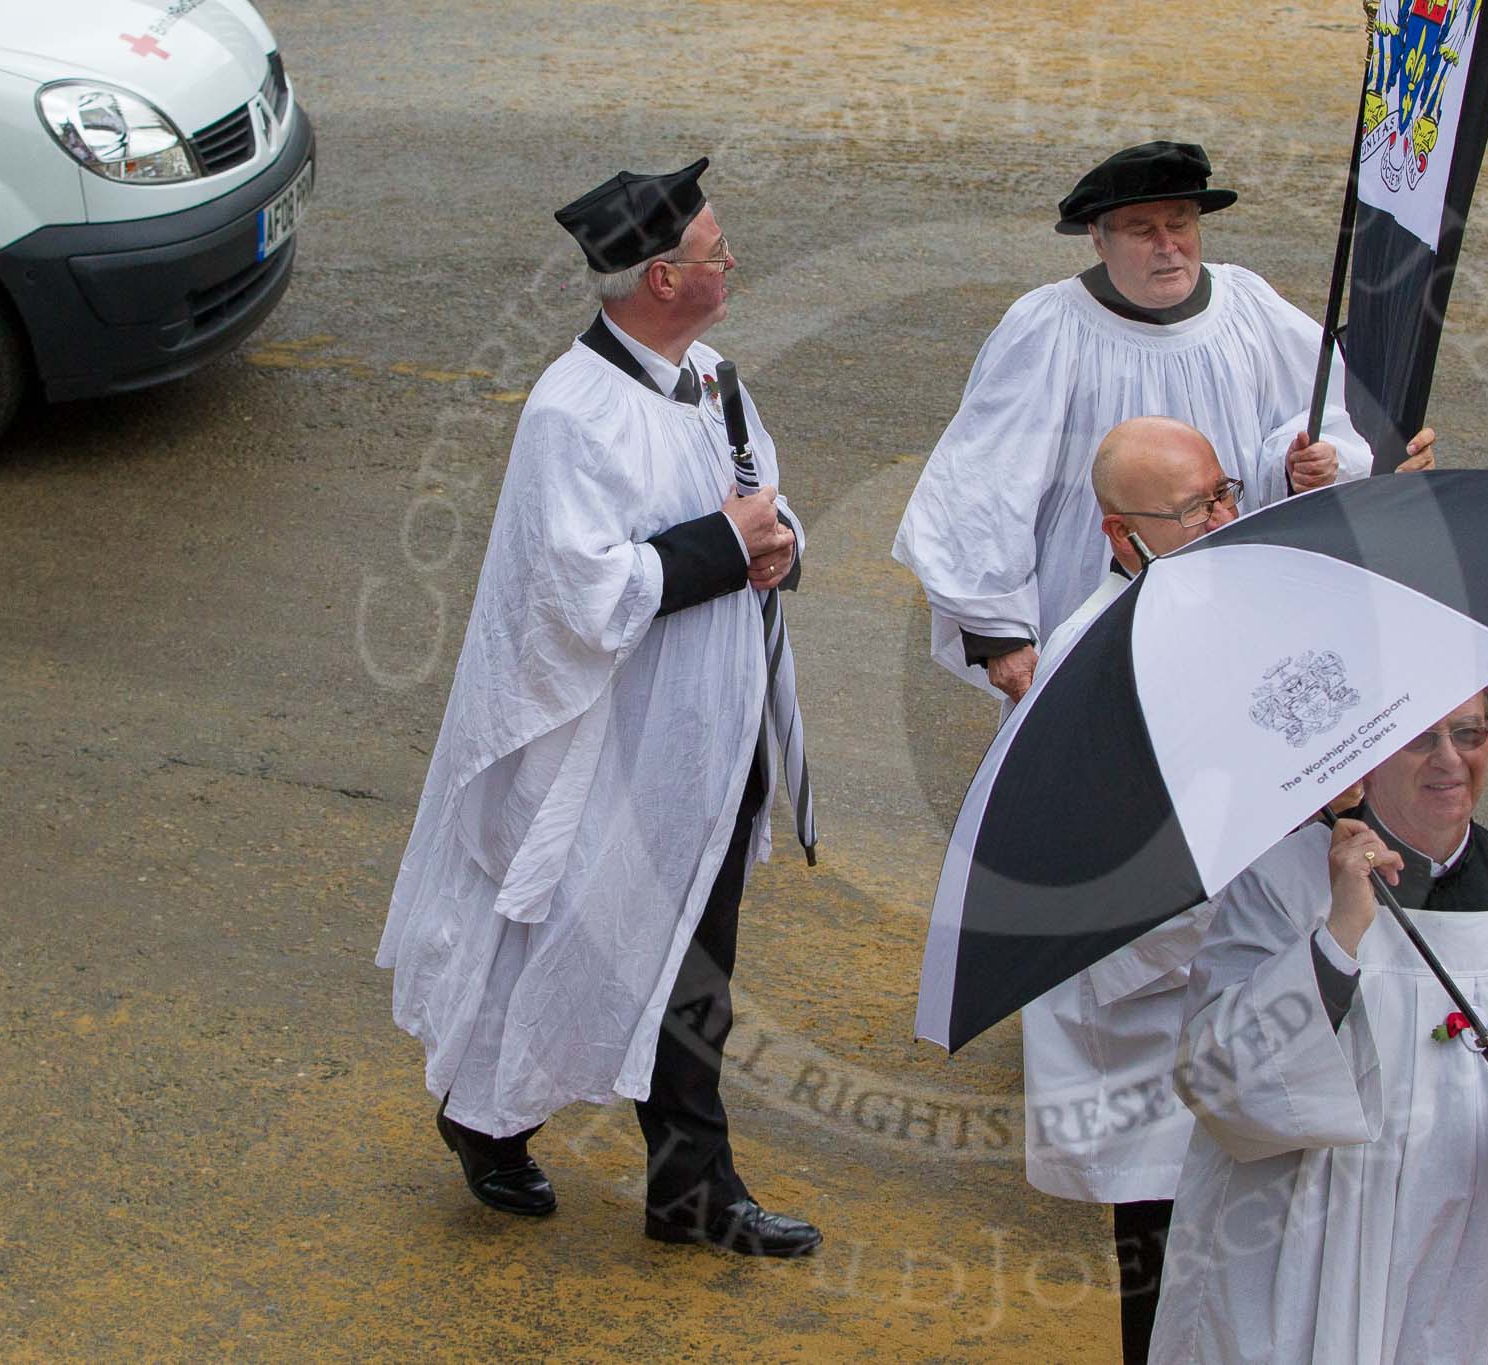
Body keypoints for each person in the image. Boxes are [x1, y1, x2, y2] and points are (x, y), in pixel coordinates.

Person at [376, 158, 822, 1257]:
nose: (733, 265)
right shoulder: (568, 415)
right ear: (662, 278)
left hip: (709, 735)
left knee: (690, 962)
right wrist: (731, 546)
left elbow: (763, 504)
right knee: (567, 935)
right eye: (718, 253)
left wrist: (780, 546)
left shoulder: (714, 378)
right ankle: (486, 1118)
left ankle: (691, 1194)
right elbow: (574, 594)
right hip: (605, 744)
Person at [1148, 690, 1488, 1363]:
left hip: (1474, 1268)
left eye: (1468, 733)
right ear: (1366, 752)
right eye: (1421, 738)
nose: (1450, 759)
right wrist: (1337, 939)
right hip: (1308, 1256)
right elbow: (1216, 1074)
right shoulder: (1282, 883)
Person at [892, 139, 1434, 706]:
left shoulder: (1248, 308)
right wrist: (998, 631)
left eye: (1180, 224)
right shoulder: (1050, 328)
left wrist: (1313, 463)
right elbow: (984, 479)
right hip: (1085, 601)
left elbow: (1322, 415)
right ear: (1098, 239)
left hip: (1234, 592)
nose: (1168, 246)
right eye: (1142, 230)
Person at [1021, 415, 1315, 1364]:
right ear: (1122, 533)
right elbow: (1086, 875)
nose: (1226, 518)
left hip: (1251, 980)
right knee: (1169, 1268)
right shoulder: (1090, 662)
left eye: (1227, 492)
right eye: (1196, 510)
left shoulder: (1224, 605)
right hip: (1157, 1010)